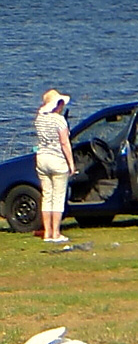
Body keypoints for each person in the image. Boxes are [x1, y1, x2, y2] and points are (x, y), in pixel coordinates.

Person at [34, 89, 76, 243]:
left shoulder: (39, 119)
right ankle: (56, 233)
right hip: (57, 159)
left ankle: (47, 233)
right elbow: (64, 142)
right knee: (58, 197)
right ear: (56, 105)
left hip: (42, 158)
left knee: (47, 196)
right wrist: (71, 164)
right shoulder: (59, 120)